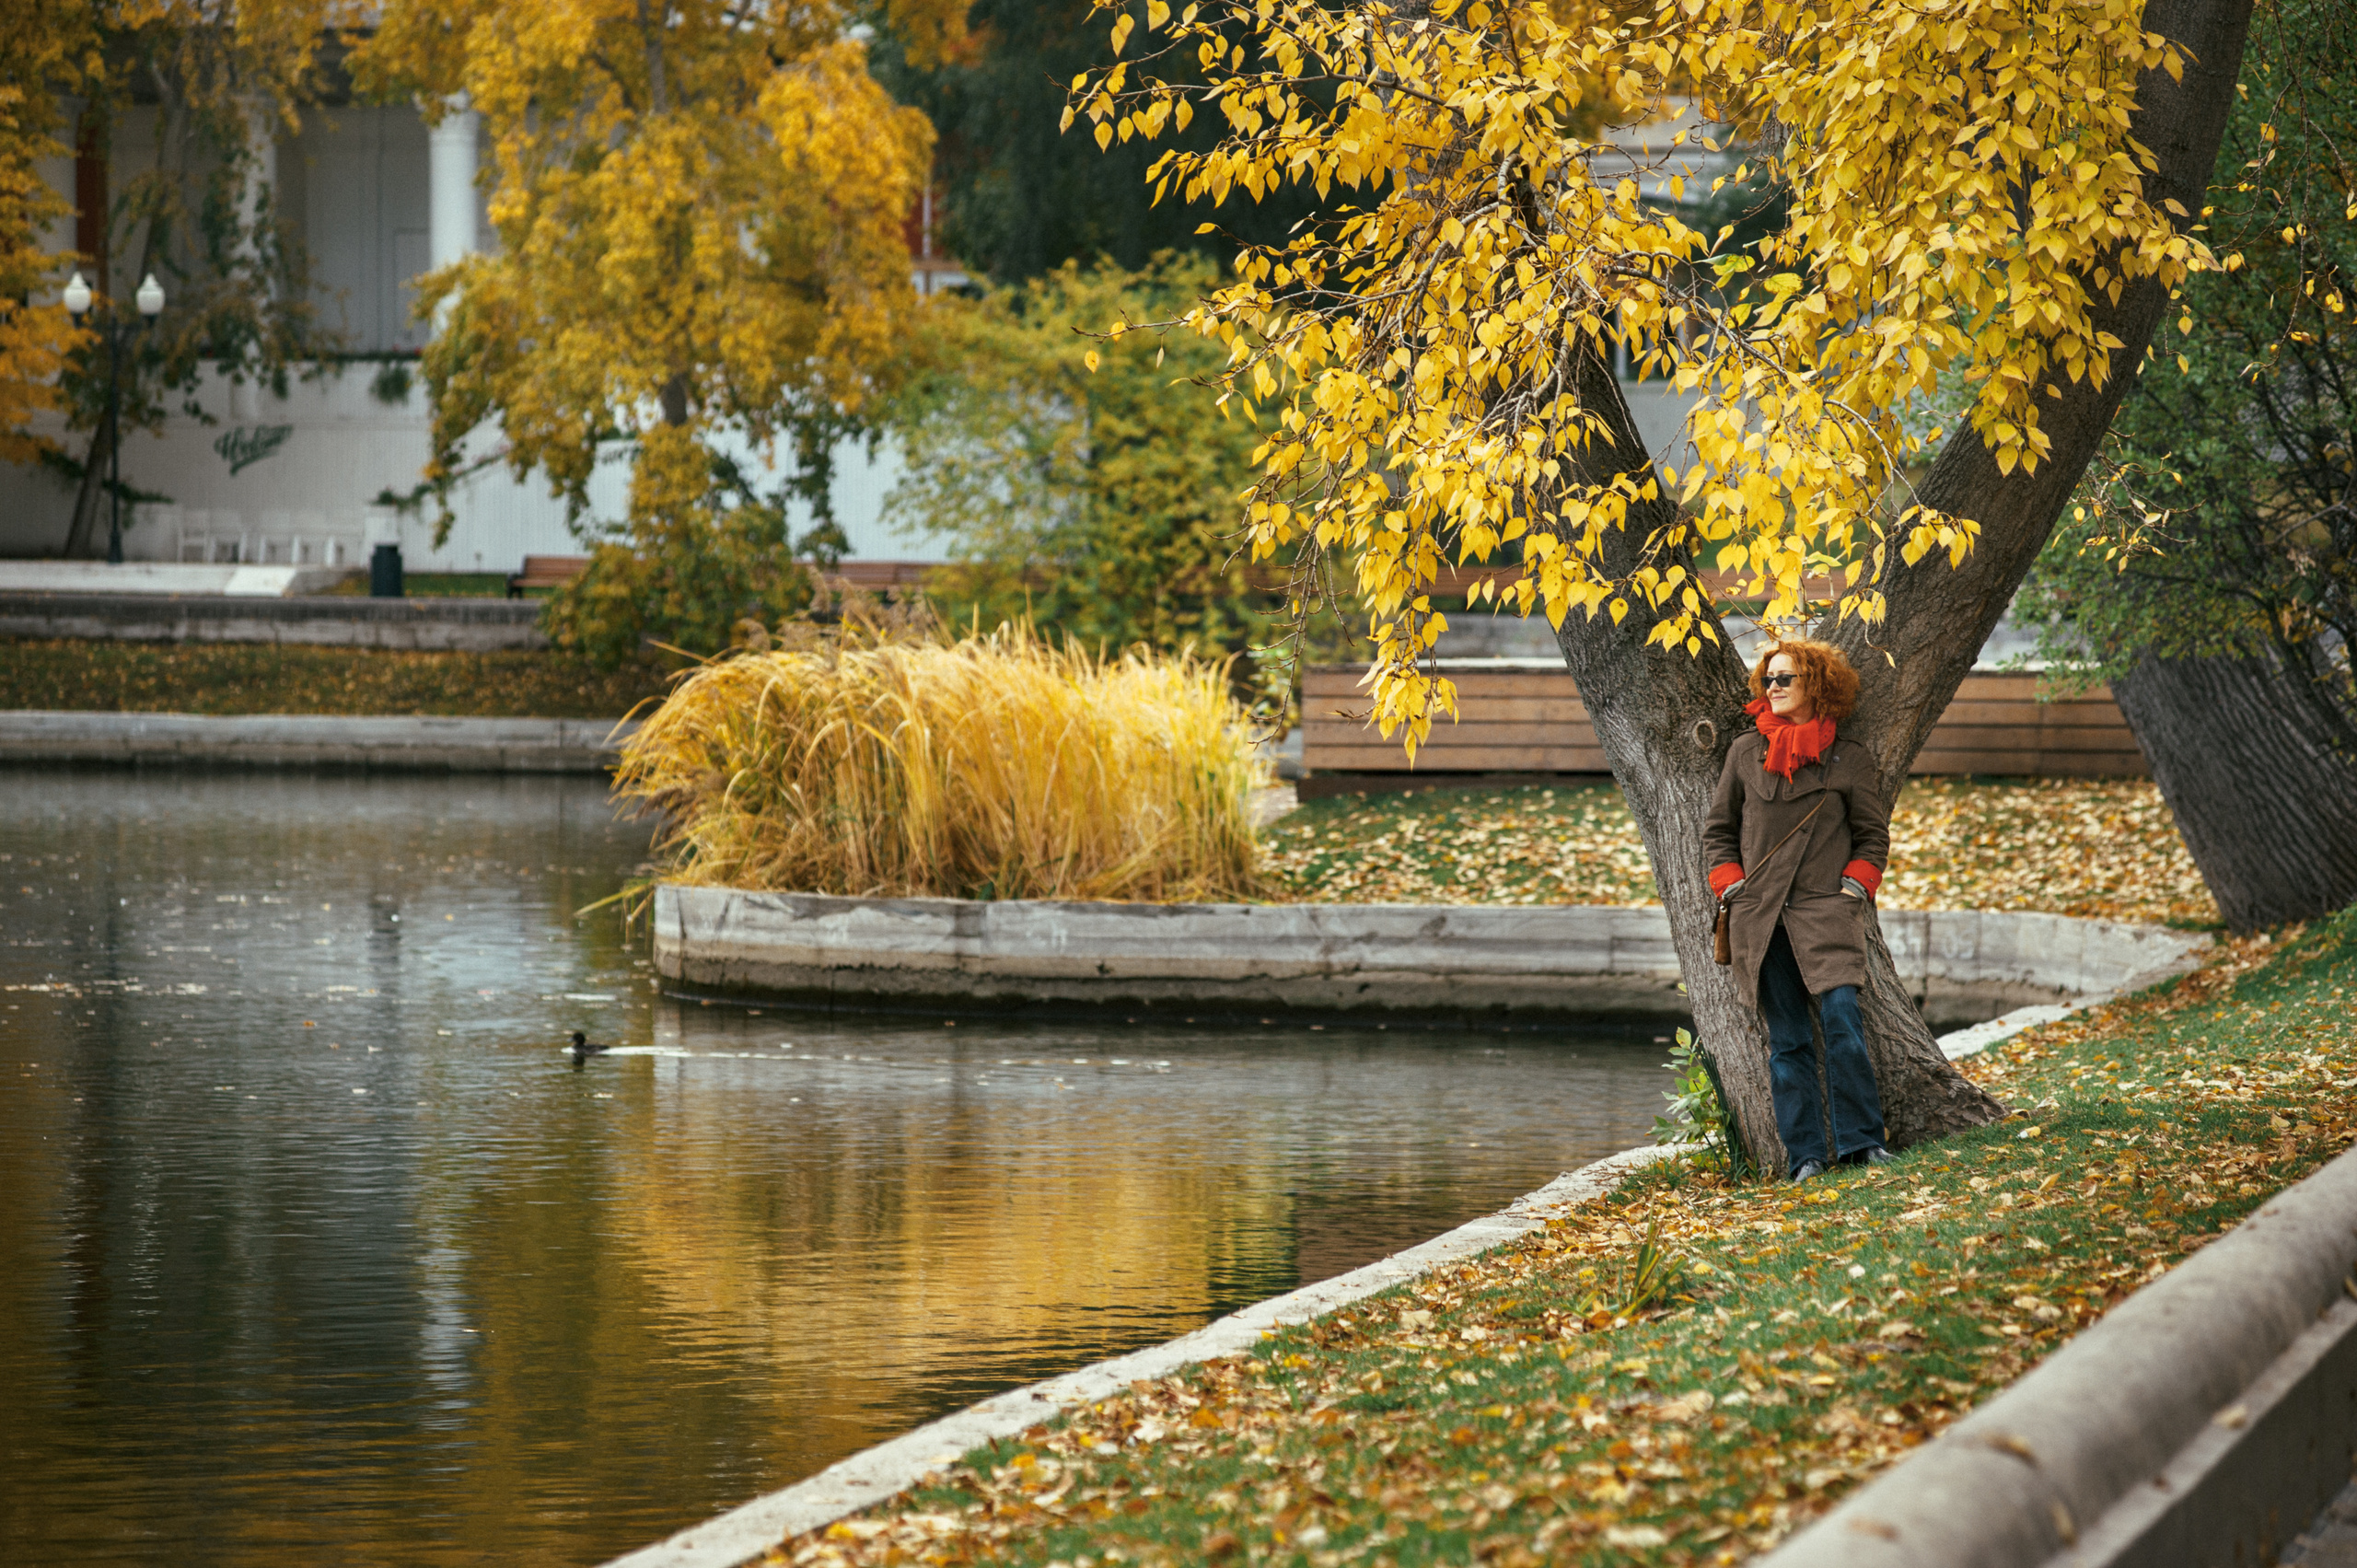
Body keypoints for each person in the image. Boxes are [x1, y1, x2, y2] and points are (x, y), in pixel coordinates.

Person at [1701, 637, 1895, 1182]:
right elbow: (1718, 831)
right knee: (1788, 1042)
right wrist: (1731, 885)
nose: (1774, 687)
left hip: (1825, 913)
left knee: (1843, 1025)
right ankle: (1805, 1157)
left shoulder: (1848, 758)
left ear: (1817, 685)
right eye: (1769, 679)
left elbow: (1872, 836)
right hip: (1761, 918)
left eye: (1786, 678)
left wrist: (1854, 887)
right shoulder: (1745, 752)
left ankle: (1862, 1144)